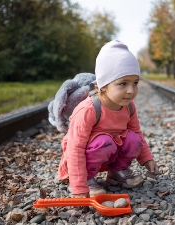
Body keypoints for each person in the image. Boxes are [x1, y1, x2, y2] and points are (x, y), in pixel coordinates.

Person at [57, 40, 158, 198]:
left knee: (134, 138)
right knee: (104, 141)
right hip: (87, 156)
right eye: (123, 83)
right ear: (101, 86)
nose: (131, 91)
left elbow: (137, 133)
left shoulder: (129, 107)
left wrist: (147, 159)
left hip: (108, 151)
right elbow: (74, 149)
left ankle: (117, 172)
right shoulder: (88, 110)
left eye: (135, 83)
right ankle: (88, 179)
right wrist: (78, 186)